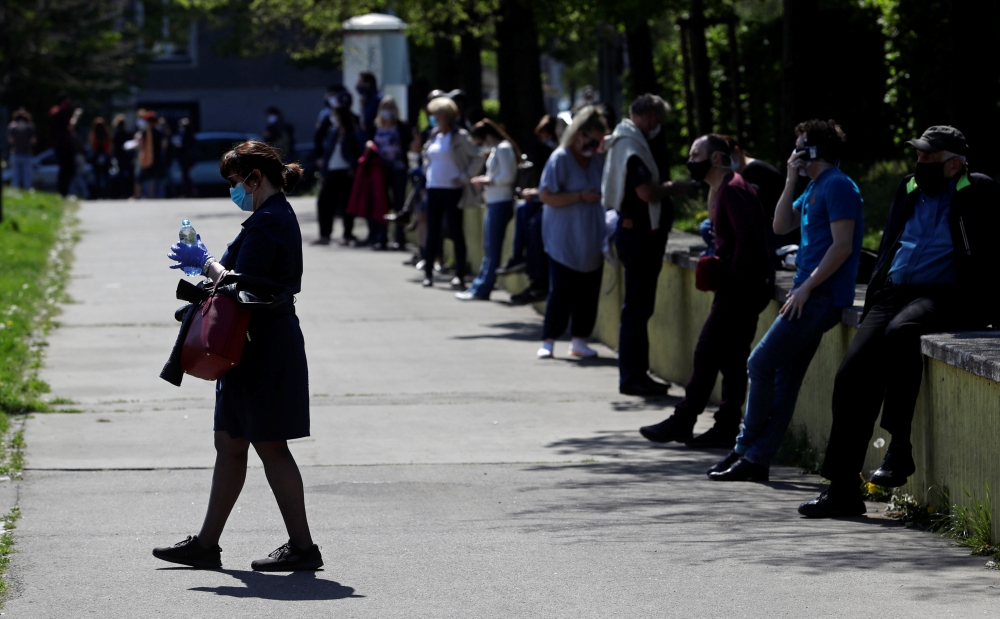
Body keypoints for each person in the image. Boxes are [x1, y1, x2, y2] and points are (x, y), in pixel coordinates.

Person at [799, 126, 1000, 517]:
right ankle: (841, 489)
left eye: (929, 157)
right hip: (895, 292)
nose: (920, 163)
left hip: (948, 295)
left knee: (903, 332)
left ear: (954, 163)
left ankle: (900, 446)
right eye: (919, 155)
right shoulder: (908, 187)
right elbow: (892, 240)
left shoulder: (979, 190)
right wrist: (876, 292)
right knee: (852, 374)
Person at [156, 140, 322, 571]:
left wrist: (206, 262)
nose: (234, 191)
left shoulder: (269, 221)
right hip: (246, 346)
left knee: (270, 445)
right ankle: (206, 545)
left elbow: (243, 285)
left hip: (262, 347)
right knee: (229, 442)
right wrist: (208, 265)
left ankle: (304, 549)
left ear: (256, 178)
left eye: (236, 182)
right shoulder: (267, 217)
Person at [709, 119, 863, 482]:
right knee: (784, 380)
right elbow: (779, 226)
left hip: (819, 297)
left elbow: (842, 247)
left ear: (813, 151)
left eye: (799, 146)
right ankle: (755, 458)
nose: (792, 152)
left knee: (759, 364)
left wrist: (807, 288)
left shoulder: (838, 185)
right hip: (808, 293)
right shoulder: (813, 187)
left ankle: (745, 447)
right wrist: (791, 178)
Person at [639, 134, 774, 448]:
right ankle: (723, 426)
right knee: (731, 356)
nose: (690, 160)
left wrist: (732, 282)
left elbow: (749, 241)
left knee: (709, 350)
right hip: (742, 285)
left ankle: (686, 419)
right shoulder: (726, 187)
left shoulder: (733, 189)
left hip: (742, 287)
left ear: (715, 158)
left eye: (695, 153)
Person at [603, 94, 688, 397]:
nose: (659, 127)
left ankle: (635, 374)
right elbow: (646, 192)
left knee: (638, 308)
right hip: (639, 235)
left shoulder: (624, 138)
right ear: (650, 116)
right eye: (659, 121)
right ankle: (633, 377)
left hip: (635, 233)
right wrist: (672, 188)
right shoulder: (632, 145)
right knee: (638, 309)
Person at [535, 106, 608, 359]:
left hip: (591, 236)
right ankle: (549, 339)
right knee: (561, 291)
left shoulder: (599, 161)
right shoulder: (561, 158)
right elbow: (546, 195)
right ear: (578, 133)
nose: (592, 145)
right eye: (589, 138)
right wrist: (579, 196)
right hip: (563, 237)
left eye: (597, 141)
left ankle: (579, 340)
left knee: (588, 292)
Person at [421, 96, 483, 289]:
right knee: (433, 231)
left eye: (436, 115)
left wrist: (464, 177)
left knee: (456, 232)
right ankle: (428, 272)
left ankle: (460, 275)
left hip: (452, 190)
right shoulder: (434, 135)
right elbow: (426, 157)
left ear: (445, 116)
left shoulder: (460, 136)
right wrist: (427, 173)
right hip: (434, 188)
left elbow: (478, 157)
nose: (433, 119)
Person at [457, 119, 521, 301]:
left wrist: (487, 181)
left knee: (492, 249)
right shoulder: (496, 149)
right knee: (488, 247)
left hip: (501, 201)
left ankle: (483, 288)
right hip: (494, 201)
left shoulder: (502, 148)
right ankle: (479, 285)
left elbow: (508, 176)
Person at [500, 115, 559, 305]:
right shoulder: (552, 153)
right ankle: (519, 257)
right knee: (524, 209)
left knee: (536, 225)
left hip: (561, 203)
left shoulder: (561, 153)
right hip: (548, 198)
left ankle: (539, 282)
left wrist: (538, 193)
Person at [313, 105, 362, 245]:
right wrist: (323, 173)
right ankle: (324, 234)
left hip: (346, 173)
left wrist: (353, 167)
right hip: (331, 171)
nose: (332, 117)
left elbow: (357, 152)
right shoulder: (332, 131)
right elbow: (327, 153)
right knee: (323, 202)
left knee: (346, 204)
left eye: (335, 114)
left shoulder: (352, 133)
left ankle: (347, 234)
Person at [370, 95, 412, 250]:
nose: (387, 112)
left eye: (390, 108)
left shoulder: (400, 125)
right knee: (382, 202)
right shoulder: (376, 126)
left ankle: (400, 238)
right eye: (385, 108)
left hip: (398, 169)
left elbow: (408, 142)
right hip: (381, 170)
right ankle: (382, 237)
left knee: (399, 203)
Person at [49, 94, 82, 197]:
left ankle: (62, 191)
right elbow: (70, 127)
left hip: (58, 144)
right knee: (69, 168)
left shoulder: (53, 111)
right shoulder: (61, 111)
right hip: (65, 145)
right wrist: (77, 115)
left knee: (63, 168)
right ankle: (63, 192)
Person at [6, 108, 36, 190]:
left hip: (15, 153)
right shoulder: (30, 127)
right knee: (27, 176)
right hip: (26, 154)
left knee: (15, 176)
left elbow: (10, 141)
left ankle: (15, 192)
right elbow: (33, 141)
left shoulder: (12, 127)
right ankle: (29, 191)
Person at [111, 115, 134, 199]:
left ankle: (120, 192)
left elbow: (113, 148)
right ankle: (128, 192)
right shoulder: (128, 134)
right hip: (127, 158)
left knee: (120, 176)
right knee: (129, 176)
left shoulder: (115, 135)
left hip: (119, 158)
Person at [89, 117, 112, 199]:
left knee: (98, 178)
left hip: (97, 158)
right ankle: (107, 194)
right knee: (106, 177)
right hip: (105, 157)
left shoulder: (93, 135)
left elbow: (92, 147)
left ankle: (98, 195)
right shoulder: (106, 134)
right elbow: (109, 147)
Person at [356, 71, 383, 140]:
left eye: (360, 82)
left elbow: (365, 124)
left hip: (372, 141)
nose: (358, 85)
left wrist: (362, 107)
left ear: (367, 84)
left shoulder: (376, 100)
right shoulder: (367, 99)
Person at [174, 118, 197, 198]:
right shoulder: (189, 135)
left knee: (186, 176)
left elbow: (185, 147)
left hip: (186, 159)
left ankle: (189, 192)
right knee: (185, 176)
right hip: (186, 159)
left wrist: (178, 145)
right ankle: (189, 191)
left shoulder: (187, 135)